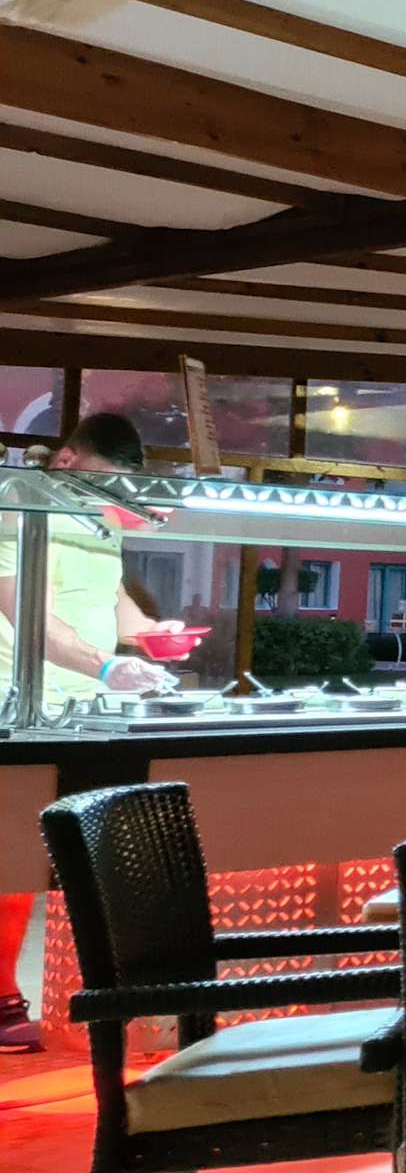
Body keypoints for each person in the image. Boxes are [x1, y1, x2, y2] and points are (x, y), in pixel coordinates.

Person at [0, 413, 167, 1052]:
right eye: (105, 482)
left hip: (83, 710)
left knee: (49, 863)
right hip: (16, 705)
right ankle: (1, 997)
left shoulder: (99, 517)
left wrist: (151, 633)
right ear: (67, 461)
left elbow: (113, 597)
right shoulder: (16, 507)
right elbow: (23, 610)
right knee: (12, 860)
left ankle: (99, 995)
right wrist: (103, 664)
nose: (113, 497)